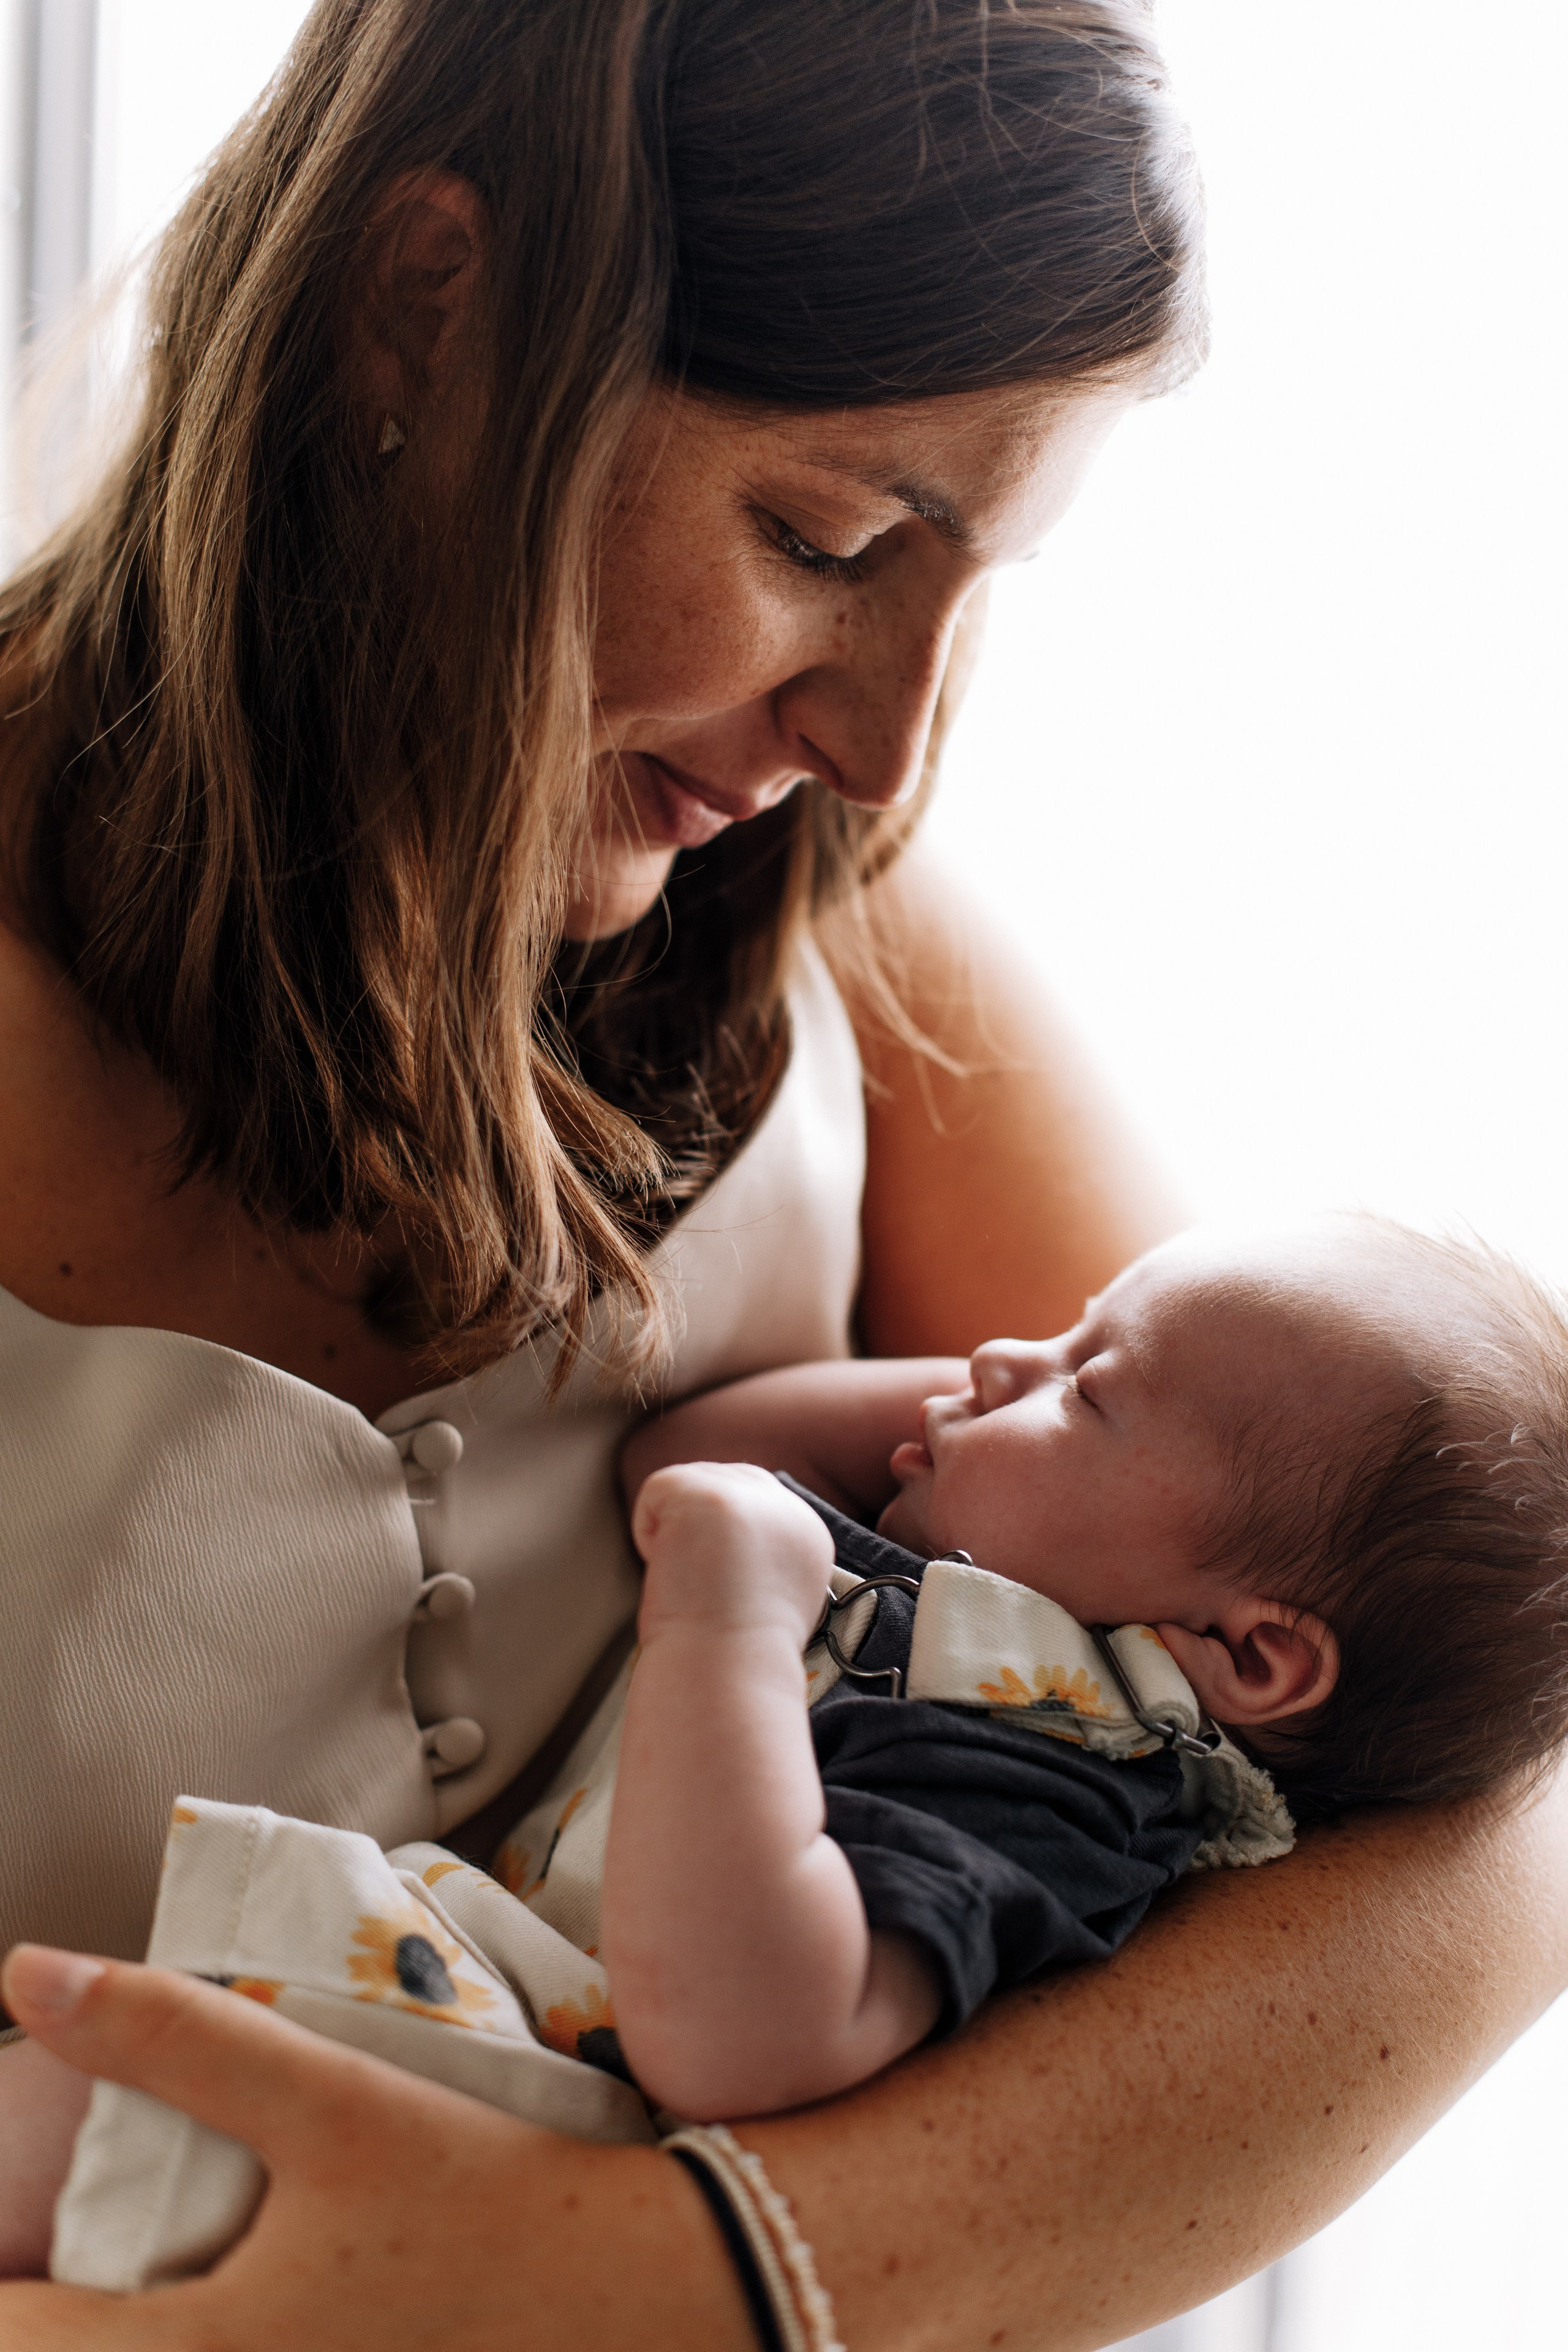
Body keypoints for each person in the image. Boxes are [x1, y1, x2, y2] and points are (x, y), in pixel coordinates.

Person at [1, 1, 1567, 2344]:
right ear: (427, 302)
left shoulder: (831, 931)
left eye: (972, 584)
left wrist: (675, 2278)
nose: (880, 739)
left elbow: (1476, 1818)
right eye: (827, 535)